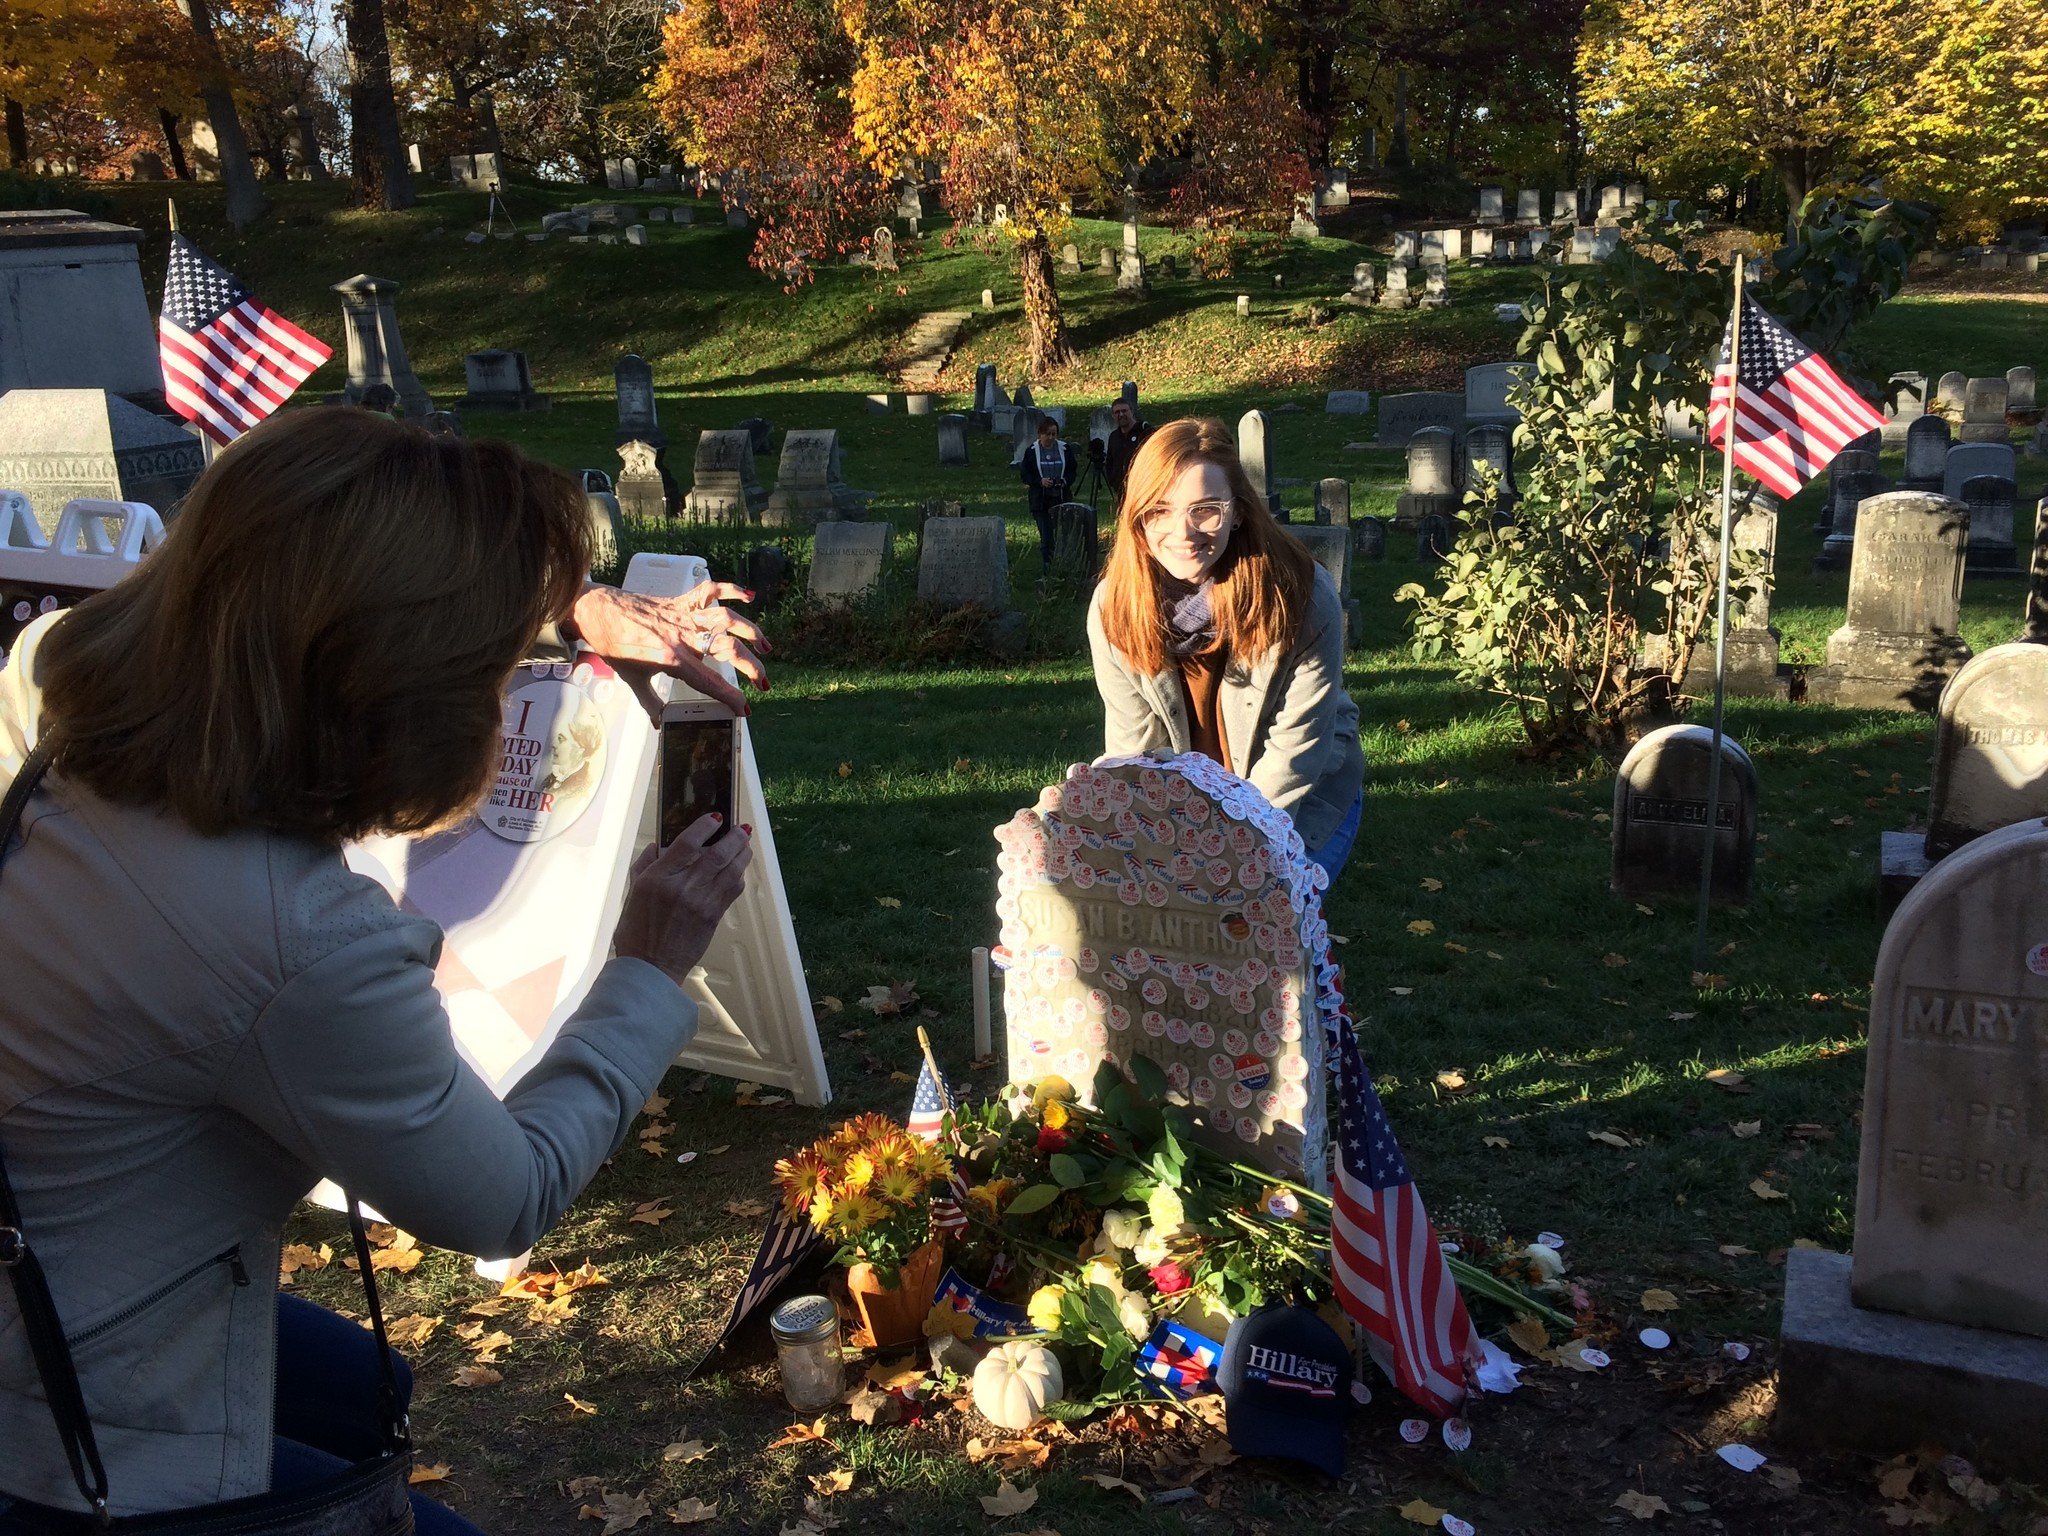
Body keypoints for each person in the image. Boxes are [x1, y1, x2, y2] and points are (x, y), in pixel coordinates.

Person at [0, 410, 759, 1530]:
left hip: (61, 1253)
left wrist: (567, 605)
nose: (508, 693)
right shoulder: (295, 940)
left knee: (370, 1389)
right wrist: (647, 965)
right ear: (403, 689)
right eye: (492, 667)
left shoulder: (52, 702)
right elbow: (503, 1197)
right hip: (72, 1427)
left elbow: (246, 584)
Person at [1087, 417, 1364, 879]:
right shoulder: (1115, 607)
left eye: (1205, 509)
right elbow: (1136, 751)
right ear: (1137, 517)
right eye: (1160, 510)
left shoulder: (1301, 596)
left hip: (1302, 791)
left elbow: (1294, 754)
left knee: (1260, 913)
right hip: (1183, 803)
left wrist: (1232, 858)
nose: (1183, 532)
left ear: (1237, 511)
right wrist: (1152, 848)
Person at [1017, 415, 1076, 570]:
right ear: (1040, 434)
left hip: (1061, 497)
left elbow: (1072, 471)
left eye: (1053, 434)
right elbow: (1025, 475)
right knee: (1046, 534)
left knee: (1063, 532)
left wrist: (1064, 481)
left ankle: (1064, 564)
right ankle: (1048, 566)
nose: (1050, 437)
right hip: (1040, 500)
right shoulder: (1032, 451)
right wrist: (1040, 481)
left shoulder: (1065, 449)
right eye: (1047, 434)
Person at [1103, 398, 1153, 507]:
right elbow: (1110, 461)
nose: (1121, 414)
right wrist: (1113, 480)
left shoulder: (1144, 431)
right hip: (1121, 491)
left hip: (1142, 489)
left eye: (1124, 411)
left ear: (1131, 411)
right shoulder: (1114, 437)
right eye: (1117, 412)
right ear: (1113, 415)